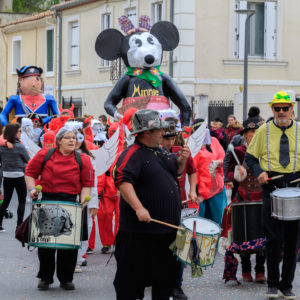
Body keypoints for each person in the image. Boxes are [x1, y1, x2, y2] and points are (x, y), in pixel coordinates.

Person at [113, 109, 190, 300]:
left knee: (164, 283)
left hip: (165, 233)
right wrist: (139, 207)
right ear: (147, 132)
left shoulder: (160, 151)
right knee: (130, 285)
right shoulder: (131, 154)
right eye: (160, 130)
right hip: (139, 235)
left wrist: (182, 160)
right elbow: (122, 180)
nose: (164, 133)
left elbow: (176, 171)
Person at [25, 125, 94, 291]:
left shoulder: (82, 159)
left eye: (74, 138)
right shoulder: (45, 154)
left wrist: (83, 203)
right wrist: (32, 189)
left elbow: (87, 184)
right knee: (46, 243)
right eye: (68, 137)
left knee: (68, 245)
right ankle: (45, 278)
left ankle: (66, 279)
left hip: (72, 203)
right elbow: (29, 172)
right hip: (48, 200)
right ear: (59, 141)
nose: (72, 140)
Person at [245, 91, 299, 299]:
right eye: (277, 108)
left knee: (293, 241)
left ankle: (287, 286)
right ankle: (273, 284)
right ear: (272, 110)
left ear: (292, 109)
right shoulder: (263, 131)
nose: (282, 112)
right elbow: (250, 158)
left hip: (296, 186)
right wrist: (259, 172)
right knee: (273, 239)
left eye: (285, 108)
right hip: (272, 186)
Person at [225, 116, 266, 283]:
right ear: (245, 135)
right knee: (243, 234)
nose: (254, 135)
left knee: (263, 234)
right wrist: (236, 174)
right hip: (243, 196)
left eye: (257, 132)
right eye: (251, 132)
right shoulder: (239, 151)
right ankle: (246, 269)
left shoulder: (267, 152)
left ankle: (260, 270)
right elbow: (228, 173)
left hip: (262, 197)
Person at [193, 119, 227, 226]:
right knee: (199, 223)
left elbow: (223, 158)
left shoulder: (214, 141)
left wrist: (217, 163)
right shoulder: (192, 145)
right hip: (199, 190)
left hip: (215, 188)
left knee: (216, 222)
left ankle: (215, 243)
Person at [0, 123, 30, 232]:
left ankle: (0, 224)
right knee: (21, 201)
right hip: (18, 175)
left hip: (7, 175)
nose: (21, 133)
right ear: (15, 133)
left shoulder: (2, 146)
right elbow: (28, 160)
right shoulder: (19, 146)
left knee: (6, 201)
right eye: (20, 131)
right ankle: (19, 226)